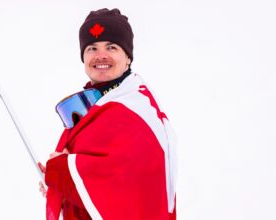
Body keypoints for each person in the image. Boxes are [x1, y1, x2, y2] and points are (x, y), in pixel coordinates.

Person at [39, 8, 177, 220]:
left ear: (128, 57)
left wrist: (62, 171)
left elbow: (122, 181)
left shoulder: (136, 110)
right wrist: (59, 184)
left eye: (111, 47)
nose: (100, 56)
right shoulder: (96, 102)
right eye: (92, 48)